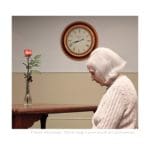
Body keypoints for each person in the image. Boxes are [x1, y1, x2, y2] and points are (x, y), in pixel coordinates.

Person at [87, 47, 138, 129]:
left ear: (103, 69)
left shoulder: (118, 89)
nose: (92, 78)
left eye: (93, 73)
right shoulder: (122, 83)